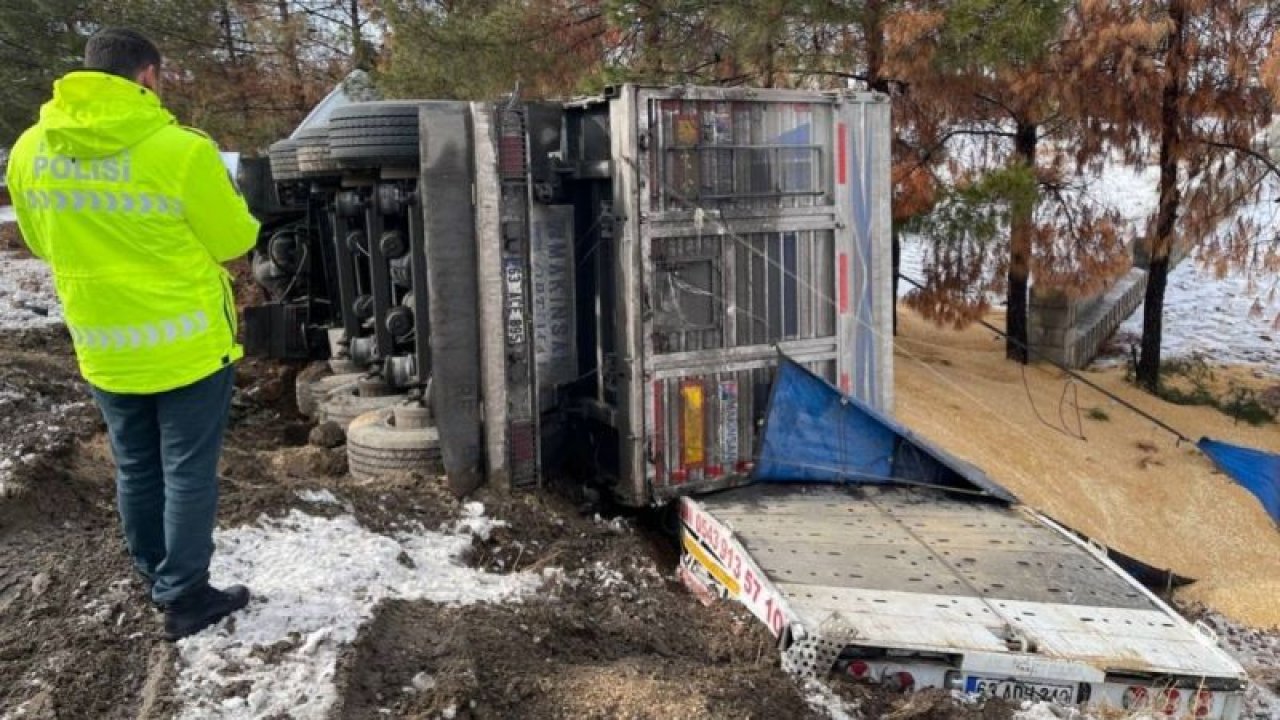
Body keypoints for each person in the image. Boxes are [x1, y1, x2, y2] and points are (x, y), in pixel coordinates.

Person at [5, 28, 260, 640]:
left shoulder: (30, 148)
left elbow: (38, 241)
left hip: (105, 344)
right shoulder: (180, 150)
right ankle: (186, 596)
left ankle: (156, 578)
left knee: (137, 468)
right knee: (188, 471)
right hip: (188, 344)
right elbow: (235, 241)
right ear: (148, 75)